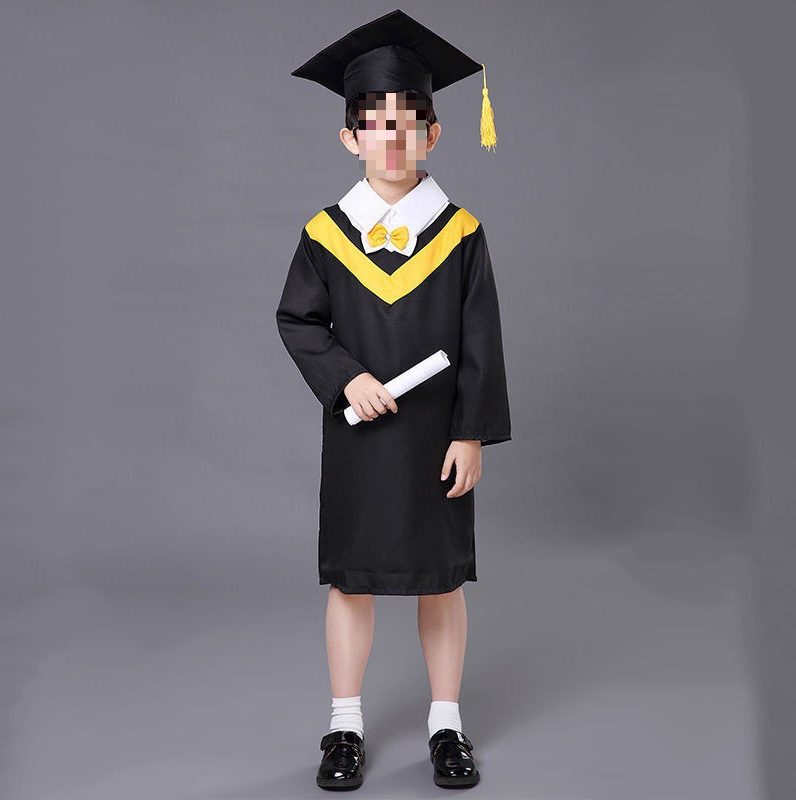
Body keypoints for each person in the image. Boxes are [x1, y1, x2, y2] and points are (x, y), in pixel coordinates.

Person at [276, 8, 511, 791]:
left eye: (409, 125)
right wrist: (346, 376)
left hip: (436, 438)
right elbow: (298, 320)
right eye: (376, 126)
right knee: (353, 579)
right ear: (350, 138)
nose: (392, 140)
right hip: (360, 437)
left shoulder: (461, 233)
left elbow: (481, 341)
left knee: (440, 578)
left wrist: (471, 433)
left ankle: (446, 723)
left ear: (433, 136)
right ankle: (344, 725)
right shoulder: (325, 234)